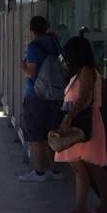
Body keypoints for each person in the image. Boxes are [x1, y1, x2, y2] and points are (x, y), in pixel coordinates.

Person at [53, 36, 107, 213]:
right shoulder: (83, 71)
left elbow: (84, 97)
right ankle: (92, 206)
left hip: (82, 122)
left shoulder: (86, 71)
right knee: (83, 165)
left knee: (89, 165)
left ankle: (91, 206)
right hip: (80, 121)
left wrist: (69, 117)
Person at [19, 16, 64, 182]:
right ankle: (55, 170)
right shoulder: (55, 43)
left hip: (36, 96)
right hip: (54, 94)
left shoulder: (33, 46)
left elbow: (32, 72)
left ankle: (39, 172)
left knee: (37, 136)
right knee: (51, 134)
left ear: (32, 30)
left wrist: (22, 67)